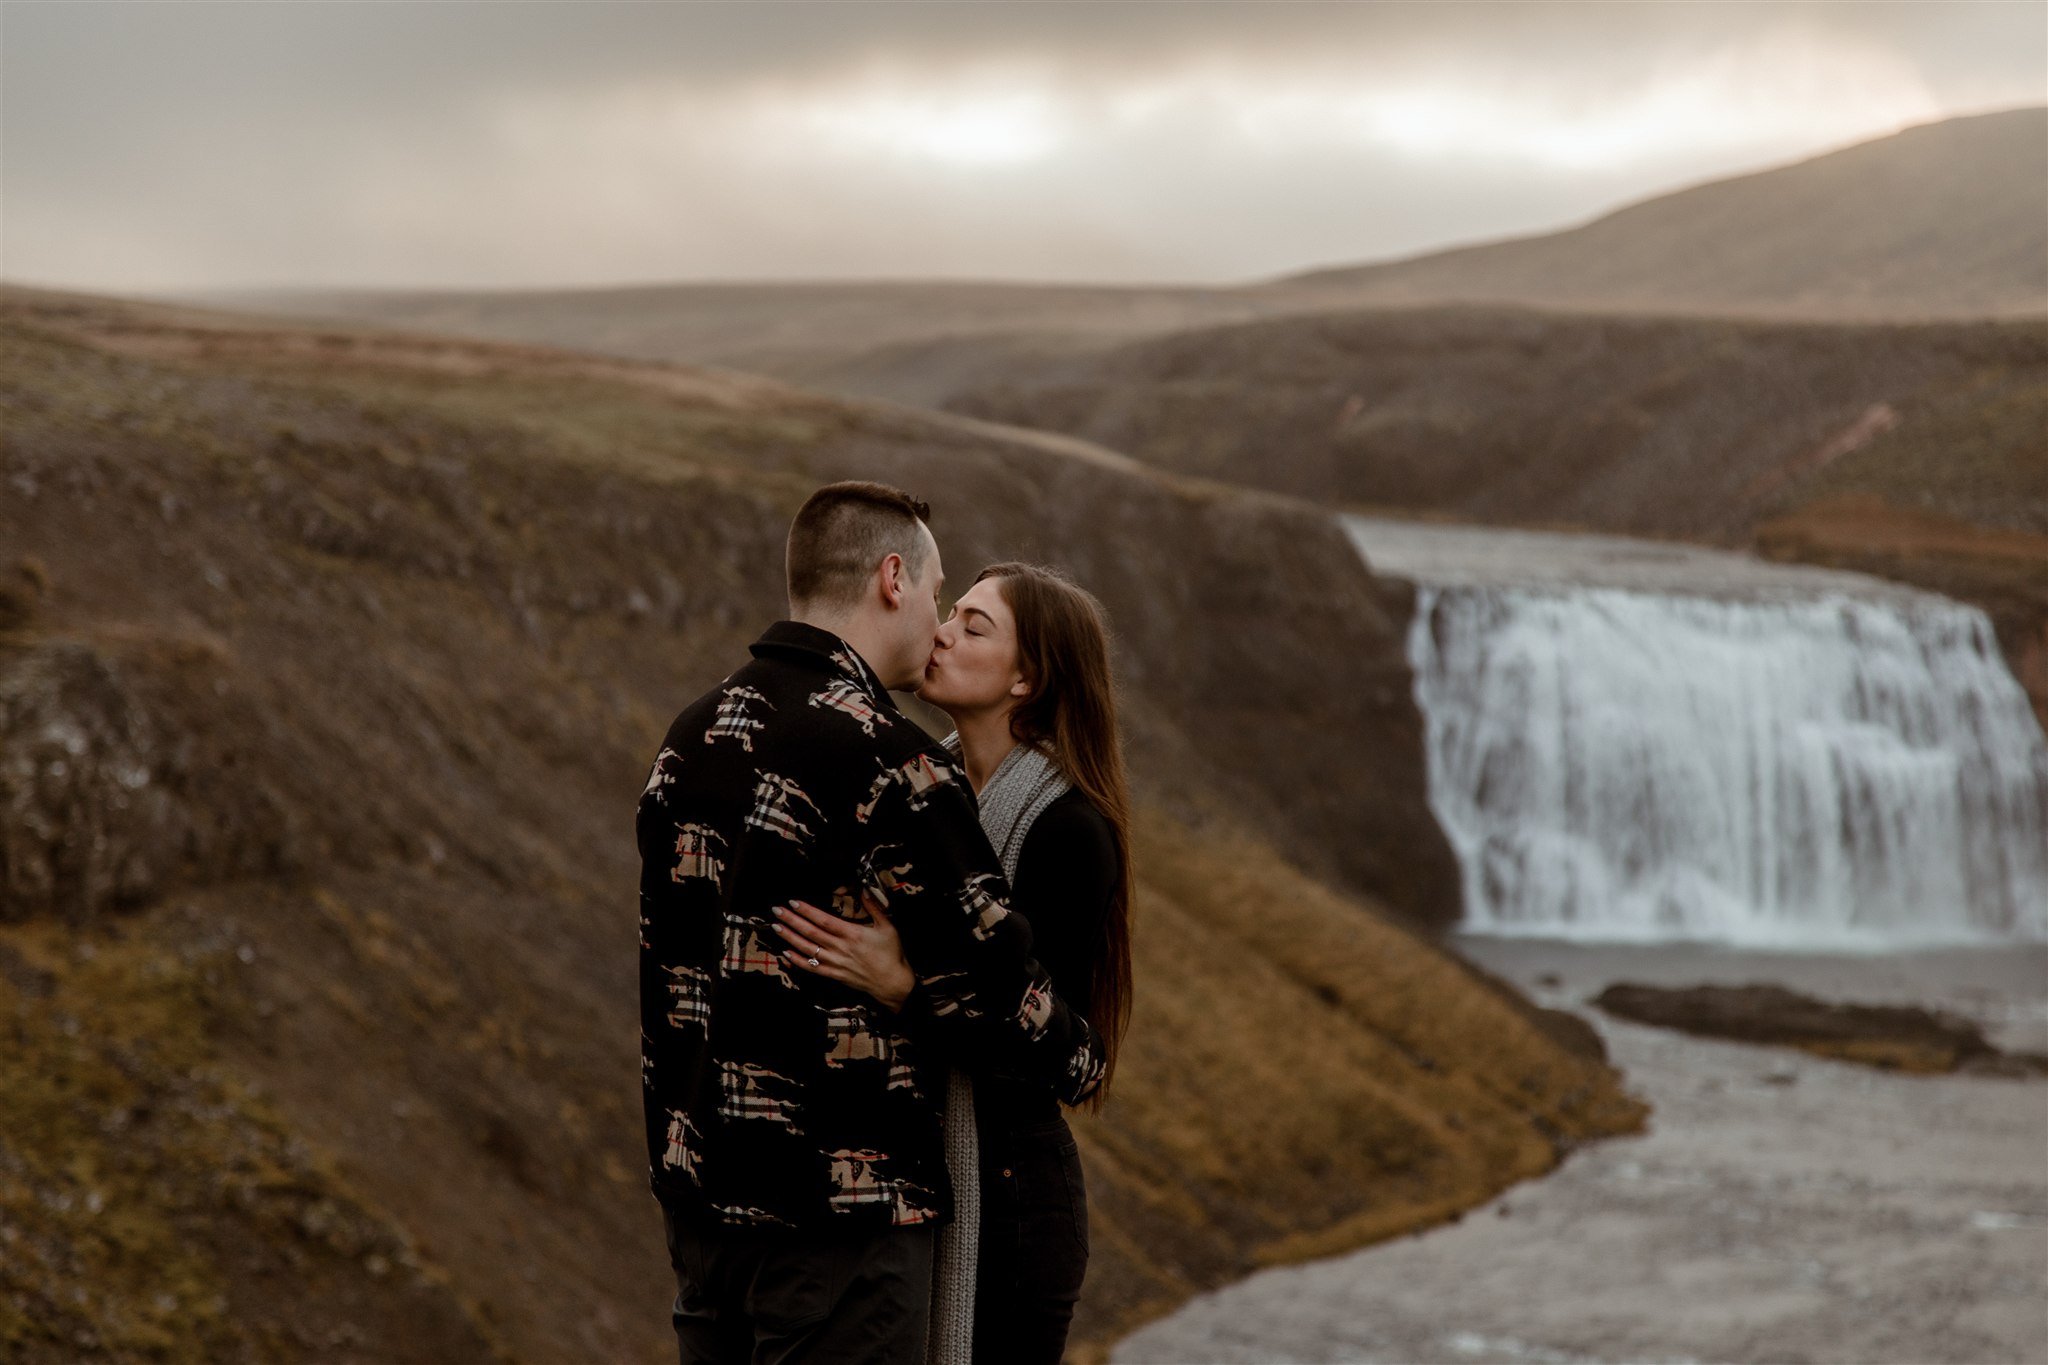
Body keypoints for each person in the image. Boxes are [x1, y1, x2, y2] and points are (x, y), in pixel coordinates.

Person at [636, 482, 1107, 1364]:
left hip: (701, 1220)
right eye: (939, 596)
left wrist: (903, 983)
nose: (938, 625)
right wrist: (915, 984)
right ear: (894, 578)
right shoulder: (890, 763)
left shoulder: (688, 738)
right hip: (839, 1230)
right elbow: (1028, 1010)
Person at [775, 562, 1134, 1365]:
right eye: (953, 613)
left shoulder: (1068, 830)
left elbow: (1072, 1058)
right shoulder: (916, 798)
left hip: (1013, 1209)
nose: (941, 631)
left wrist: (905, 987)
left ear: (1027, 678)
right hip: (908, 1191)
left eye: (975, 627)